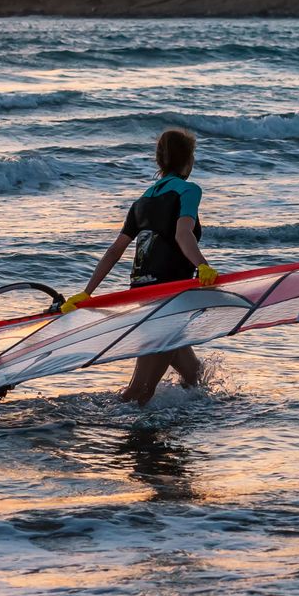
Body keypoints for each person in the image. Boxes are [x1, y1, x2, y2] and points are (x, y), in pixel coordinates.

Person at [61, 127, 219, 404]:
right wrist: (203, 266)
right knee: (140, 391)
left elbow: (115, 250)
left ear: (160, 161)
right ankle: (114, 433)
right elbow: (183, 234)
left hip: (142, 293)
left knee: (195, 376)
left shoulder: (142, 201)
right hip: (168, 296)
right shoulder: (189, 191)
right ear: (189, 160)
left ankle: (183, 422)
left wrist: (87, 292)